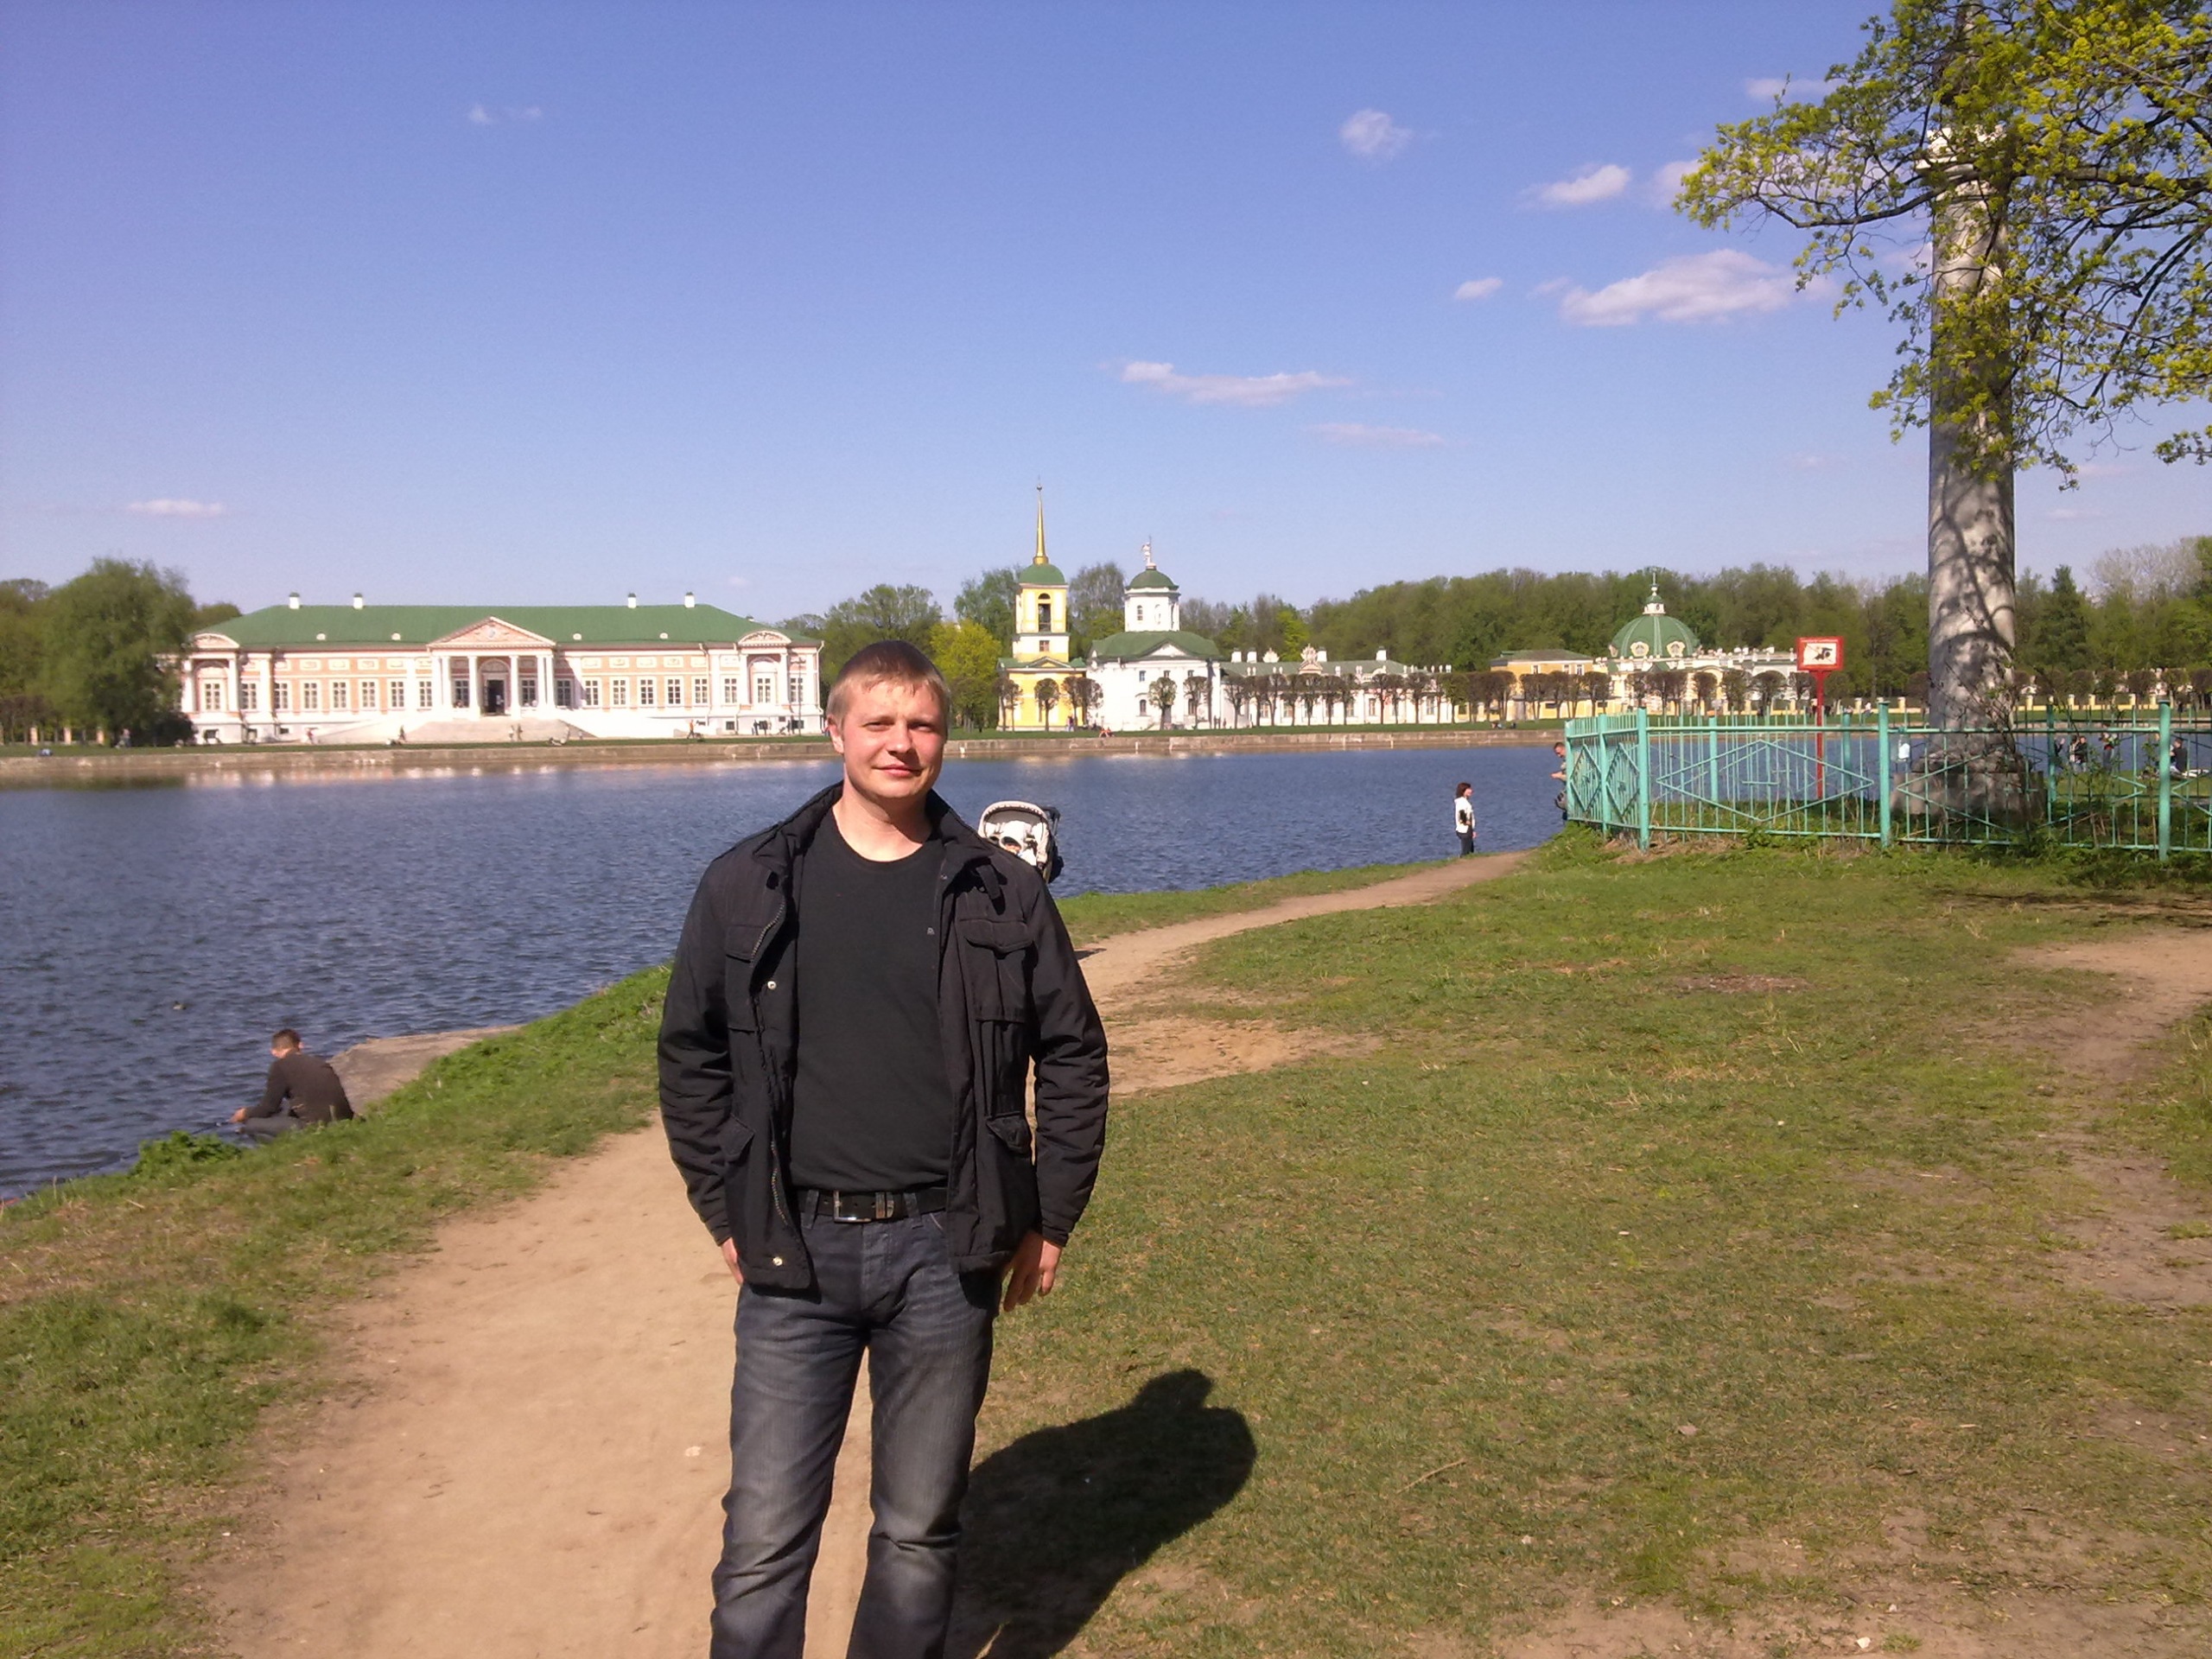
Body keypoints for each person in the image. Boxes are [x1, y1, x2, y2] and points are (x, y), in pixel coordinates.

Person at [658, 639, 1110, 1659]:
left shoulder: (1000, 890)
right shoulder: (748, 881)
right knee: (764, 1540)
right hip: (795, 1252)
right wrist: (724, 1207)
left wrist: (1051, 1214)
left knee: (916, 1531)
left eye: (922, 725)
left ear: (945, 738)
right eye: (879, 723)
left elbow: (1074, 1053)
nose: (900, 744)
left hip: (947, 1253)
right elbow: (691, 1056)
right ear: (836, 731)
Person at [231, 1028, 354, 1144]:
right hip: (343, 1118)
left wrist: (245, 1113)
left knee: (251, 1124)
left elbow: (268, 1107)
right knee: (285, 1107)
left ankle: (287, 1148)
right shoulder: (317, 1061)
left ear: (274, 1052)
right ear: (300, 1045)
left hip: (315, 1125)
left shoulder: (280, 1066)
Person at [1452, 779, 1477, 856]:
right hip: (1465, 829)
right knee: (1466, 851)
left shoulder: (1463, 801)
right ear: (1463, 791)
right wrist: (1467, 823)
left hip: (1467, 829)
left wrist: (1472, 830)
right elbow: (1462, 814)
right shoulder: (1462, 802)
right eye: (1468, 789)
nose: (1471, 791)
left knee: (1470, 850)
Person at [1551, 739, 1569, 821]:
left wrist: (1558, 776)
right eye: (1557, 754)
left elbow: (1570, 777)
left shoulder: (1571, 759)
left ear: (1564, 749)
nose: (1559, 756)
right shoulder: (1565, 760)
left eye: (1559, 753)